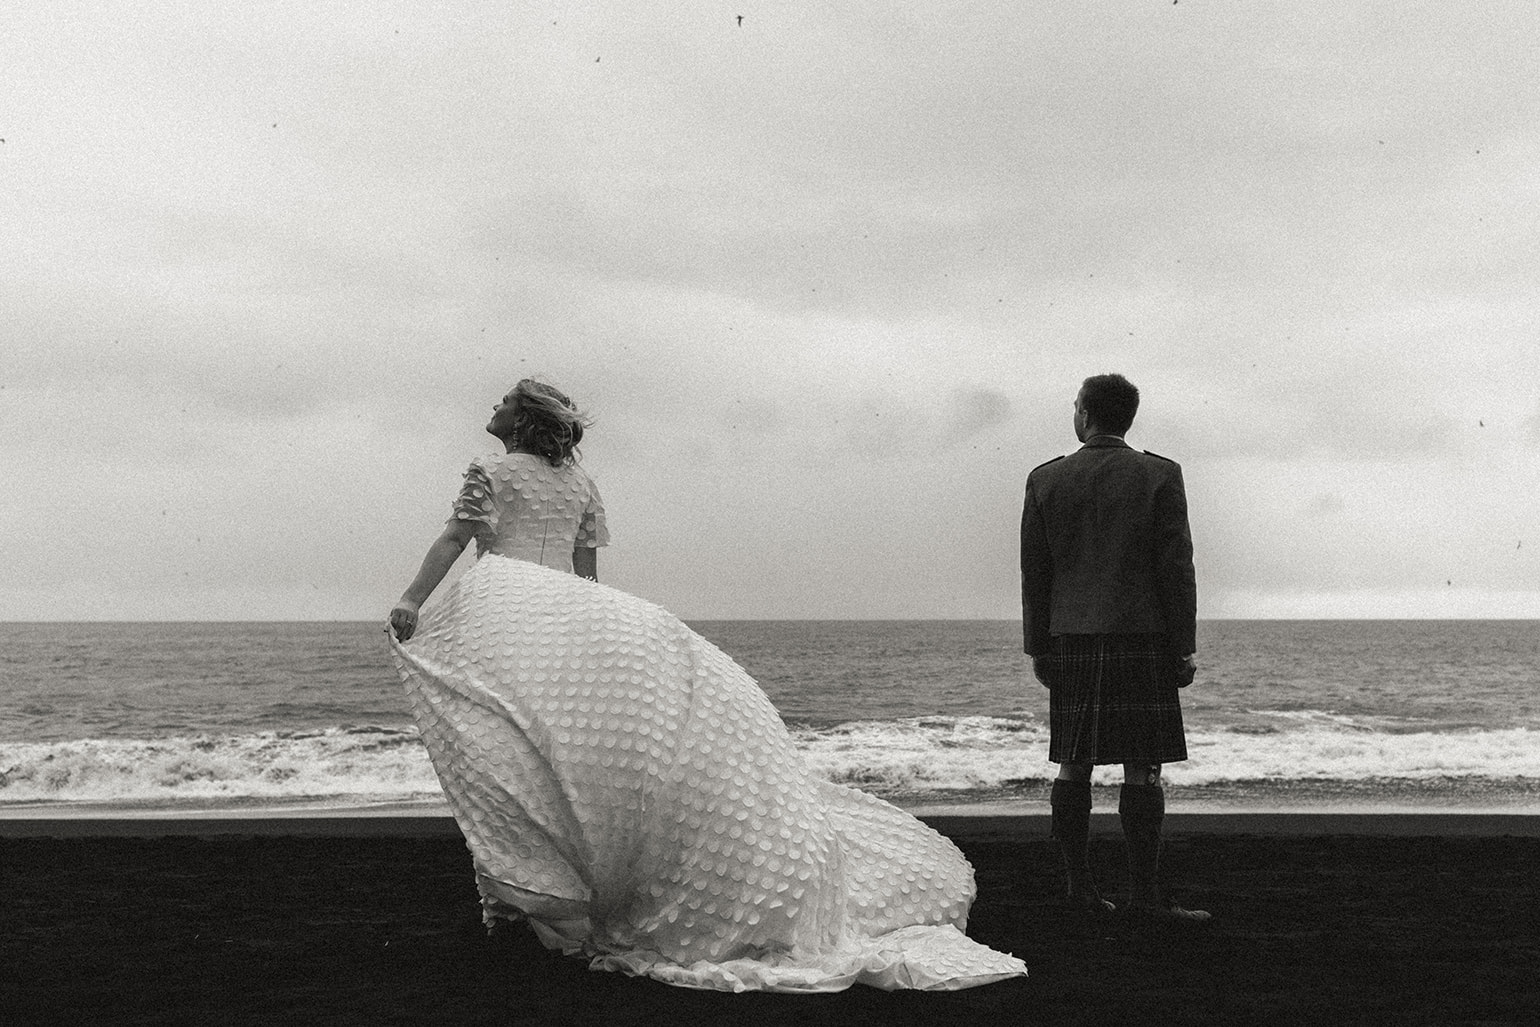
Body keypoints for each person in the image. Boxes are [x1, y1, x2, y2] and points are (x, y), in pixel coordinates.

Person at [388, 378, 1025, 992]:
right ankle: (541, 896)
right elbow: (586, 575)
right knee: (561, 754)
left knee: (508, 748)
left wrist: (414, 601)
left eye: (502, 403)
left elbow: (455, 538)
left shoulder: (491, 473)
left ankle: (522, 901)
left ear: (522, 420)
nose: (491, 409)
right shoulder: (580, 482)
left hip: (503, 614)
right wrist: (589, 640)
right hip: (569, 620)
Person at [1020, 373, 1210, 924]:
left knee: (1073, 765)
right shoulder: (1160, 474)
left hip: (1072, 639)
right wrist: (1184, 646)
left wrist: (1038, 647)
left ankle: (1079, 892)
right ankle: (1145, 898)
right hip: (1144, 637)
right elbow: (1177, 569)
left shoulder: (1045, 479)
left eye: (1075, 406)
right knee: (1143, 767)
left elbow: (1036, 574)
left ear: (1085, 413)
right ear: (1127, 418)